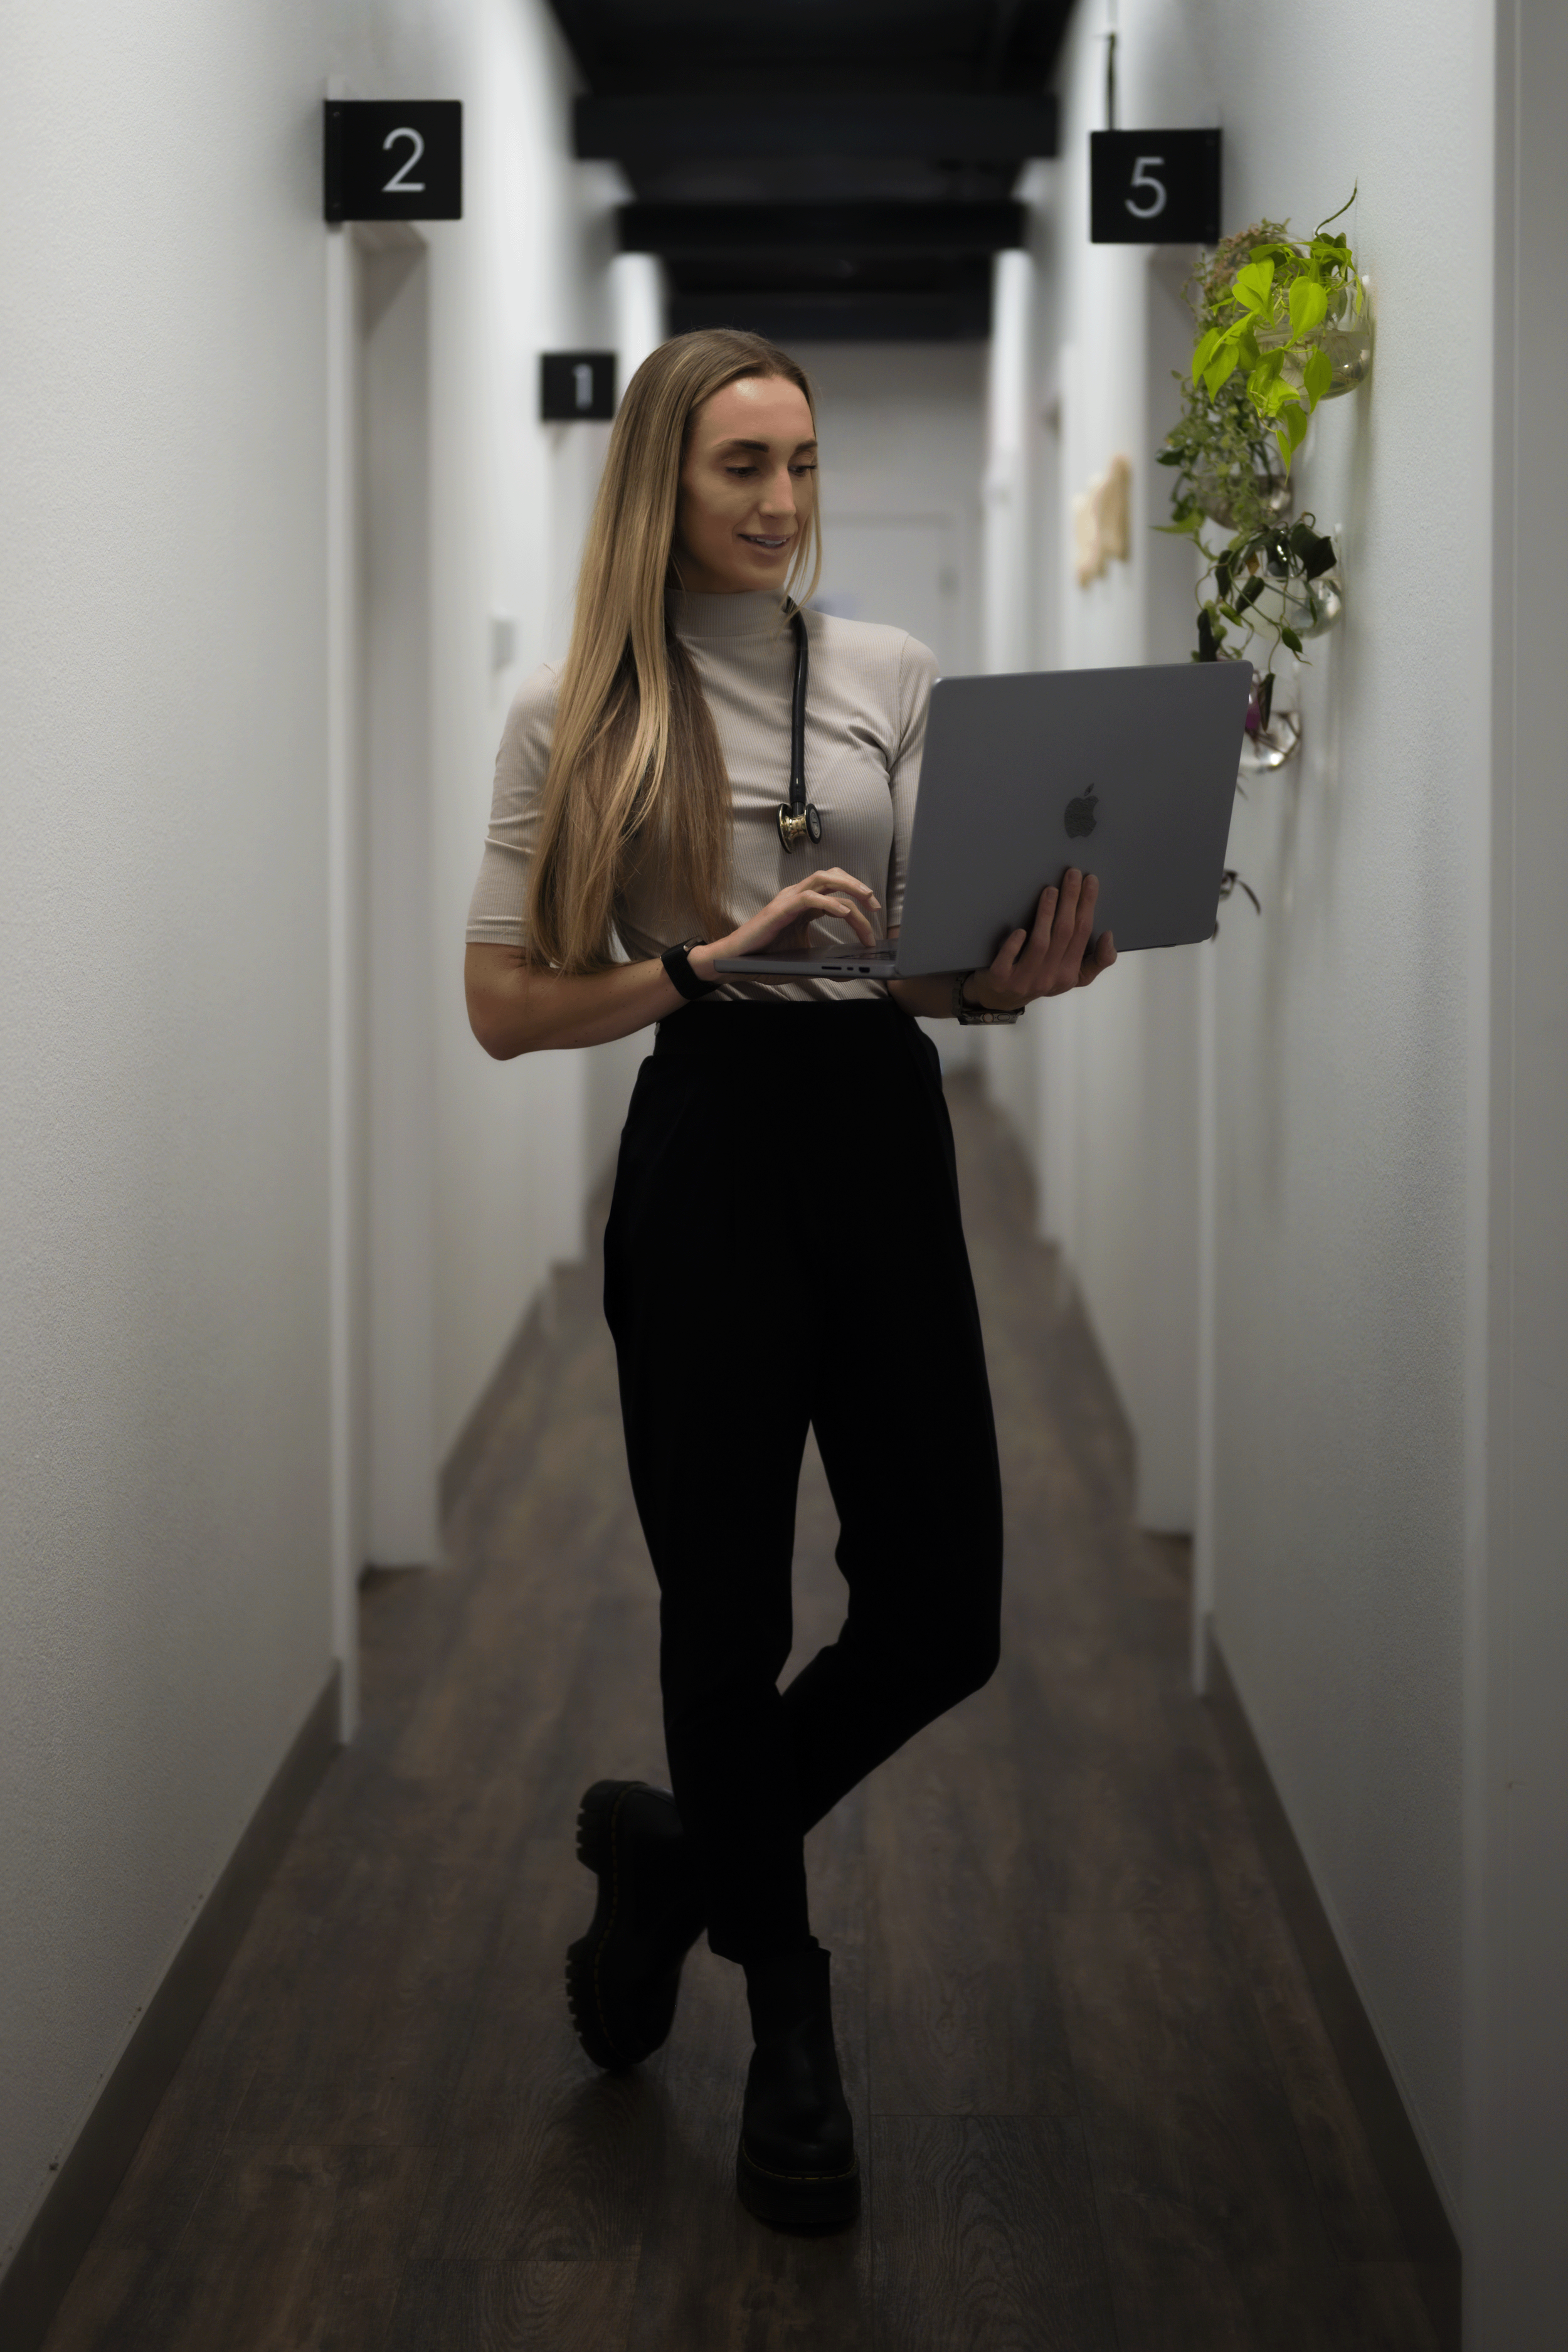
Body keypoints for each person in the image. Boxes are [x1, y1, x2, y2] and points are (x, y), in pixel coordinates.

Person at [464, 328, 1116, 2232]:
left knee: (942, 1606)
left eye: (802, 464)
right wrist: (698, 961)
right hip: (711, 1140)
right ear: (660, 482)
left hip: (881, 1126)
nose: (777, 501)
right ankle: (794, 2016)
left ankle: (673, 1867)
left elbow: (914, 962)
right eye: (738, 465)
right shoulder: (573, 707)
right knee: (722, 1610)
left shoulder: (895, 675)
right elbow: (503, 1006)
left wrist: (1013, 972)